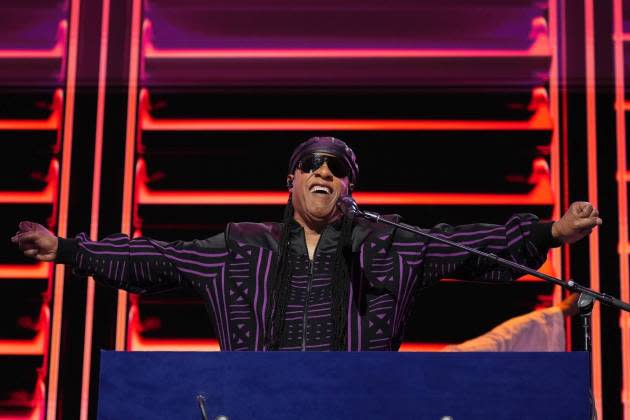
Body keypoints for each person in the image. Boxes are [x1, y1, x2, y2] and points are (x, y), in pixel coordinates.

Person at [12, 136, 602, 351]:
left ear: (350, 185)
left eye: (337, 166)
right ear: (290, 181)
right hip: (252, 405)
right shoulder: (242, 248)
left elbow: (469, 247)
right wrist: (67, 248)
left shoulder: (389, 243)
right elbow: (155, 259)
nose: (324, 172)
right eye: (311, 164)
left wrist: (551, 231)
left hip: (362, 408)